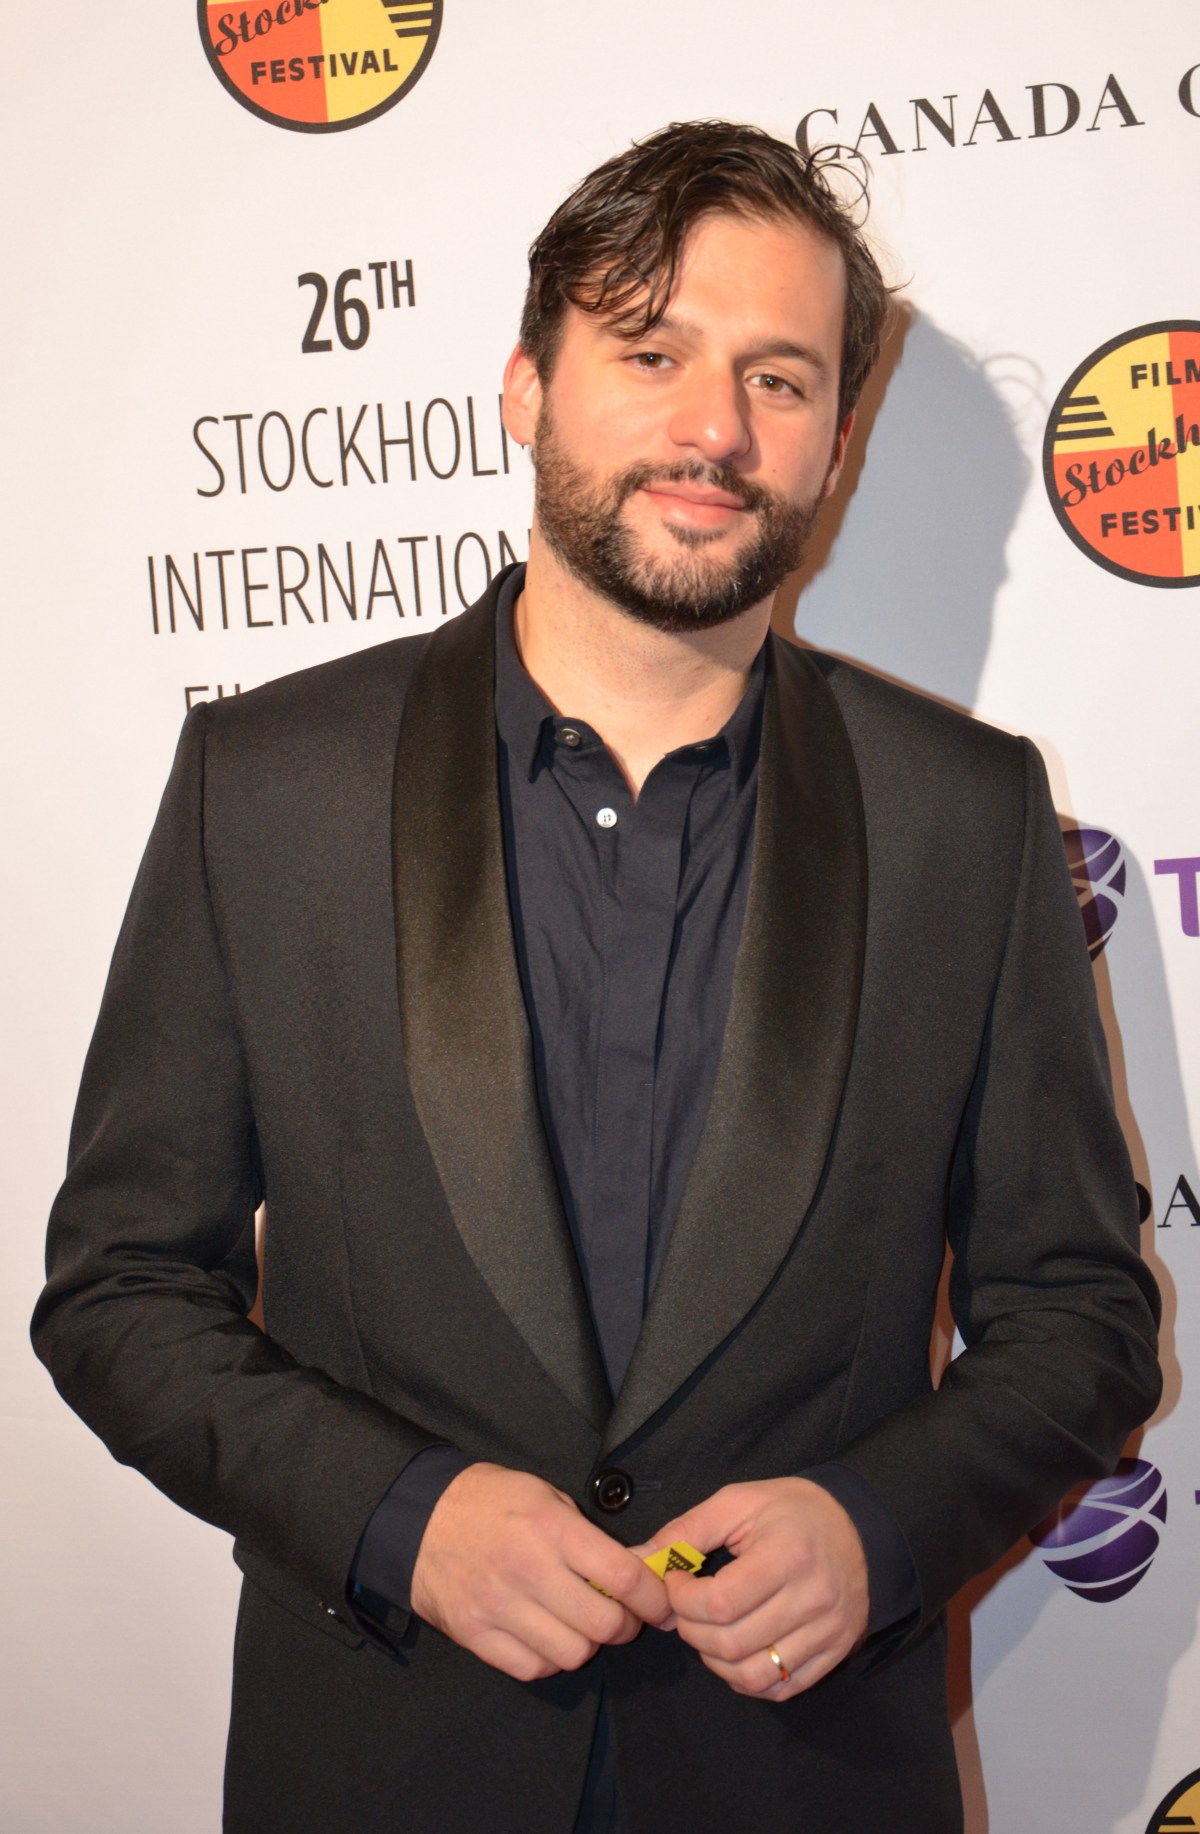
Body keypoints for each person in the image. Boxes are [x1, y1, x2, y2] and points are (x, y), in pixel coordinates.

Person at [33, 121, 1160, 1834]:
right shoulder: (267, 788)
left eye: (779, 378)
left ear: (839, 440)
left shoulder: (966, 815)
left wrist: (879, 1525)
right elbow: (118, 1287)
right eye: (651, 353)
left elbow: (1079, 1312)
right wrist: (401, 1517)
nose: (716, 428)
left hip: (808, 1778)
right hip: (384, 1767)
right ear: (525, 386)